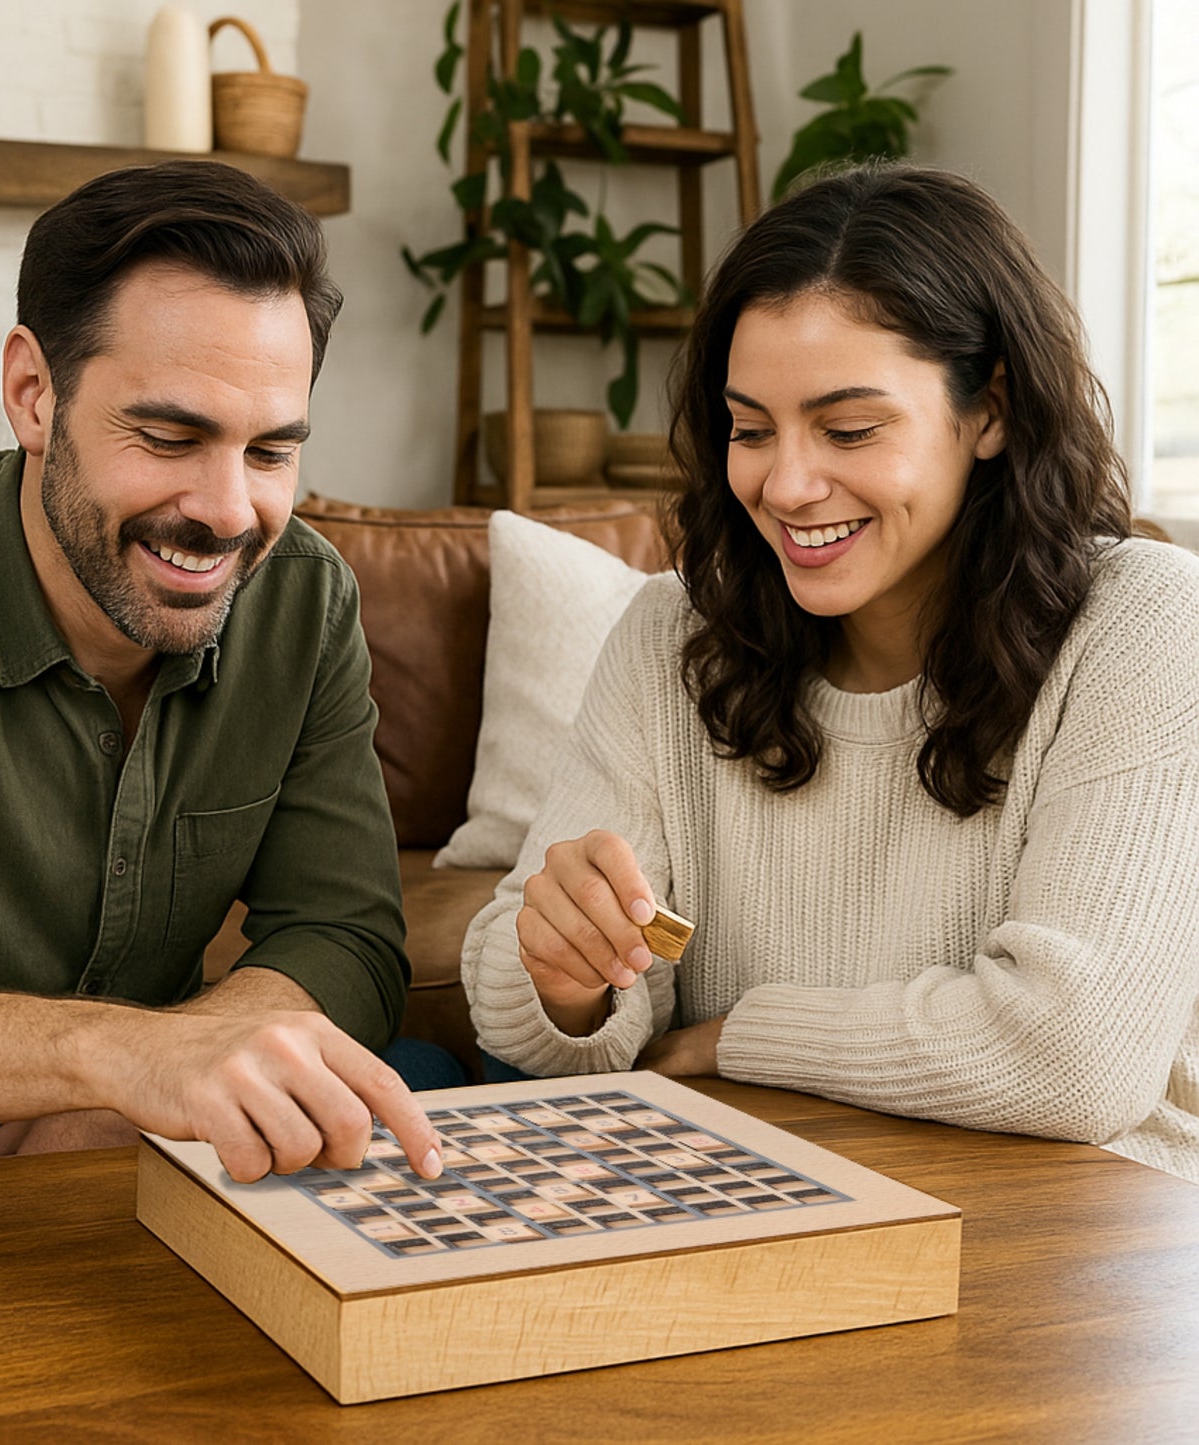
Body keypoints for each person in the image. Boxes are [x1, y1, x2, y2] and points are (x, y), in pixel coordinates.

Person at [462, 164, 1199, 1184]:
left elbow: (1072, 1056)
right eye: (750, 428)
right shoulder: (671, 635)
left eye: (848, 429)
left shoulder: (1144, 622)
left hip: (1074, 1236)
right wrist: (564, 978)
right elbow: (533, 1003)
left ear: (986, 410)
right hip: (763, 1193)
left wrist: (736, 1036)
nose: (787, 484)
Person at [0, 160, 461, 1182]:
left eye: (269, 451)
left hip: (151, 1104)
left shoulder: (304, 600)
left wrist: (149, 1092)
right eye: (170, 435)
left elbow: (341, 931)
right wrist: (110, 1065)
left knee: (421, 1085)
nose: (225, 511)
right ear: (34, 394)